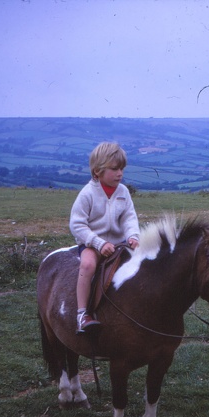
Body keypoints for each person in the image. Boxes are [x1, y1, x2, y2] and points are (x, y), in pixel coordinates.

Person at [69, 142, 140, 333]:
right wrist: (98, 243)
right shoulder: (87, 194)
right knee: (88, 265)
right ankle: (82, 314)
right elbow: (77, 224)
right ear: (97, 171)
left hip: (119, 244)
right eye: (114, 169)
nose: (120, 174)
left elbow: (129, 218)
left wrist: (133, 236)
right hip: (92, 245)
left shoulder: (123, 192)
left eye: (122, 169)